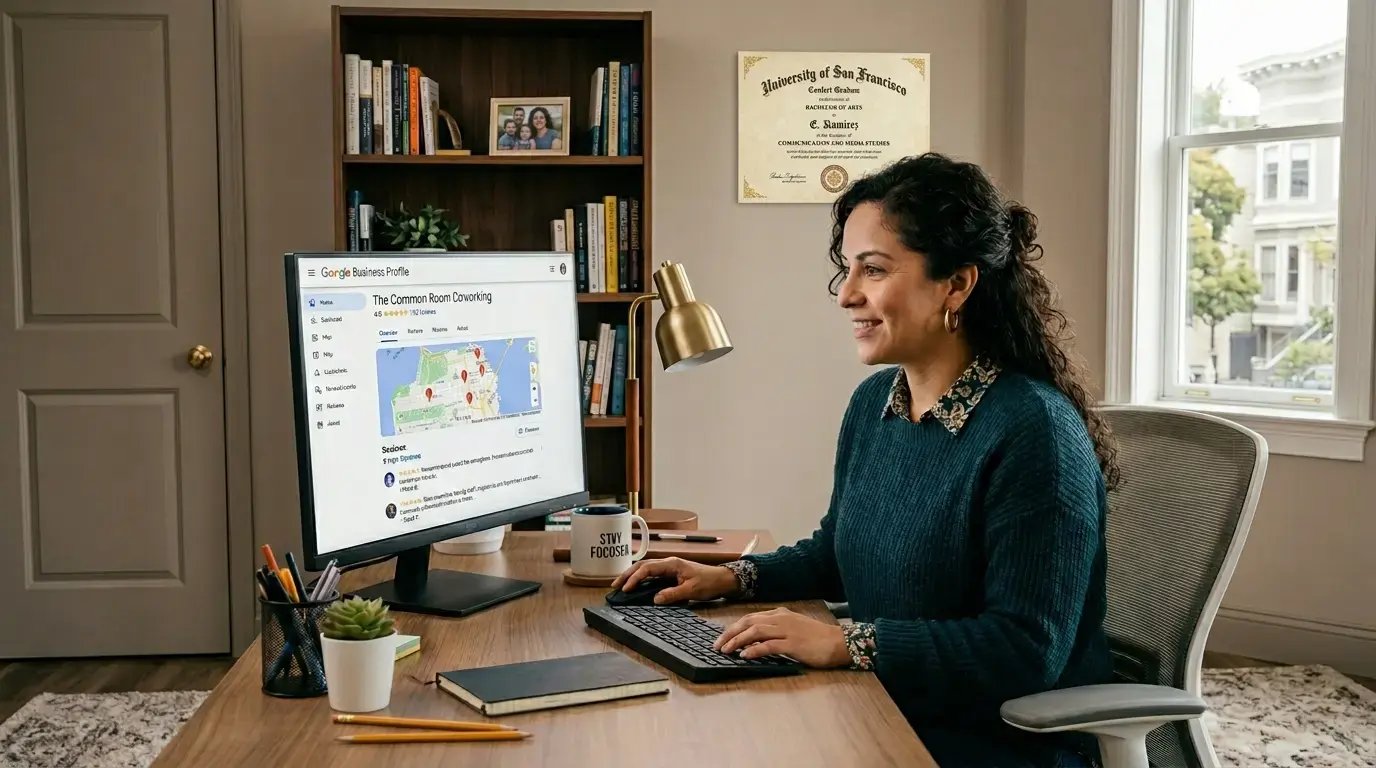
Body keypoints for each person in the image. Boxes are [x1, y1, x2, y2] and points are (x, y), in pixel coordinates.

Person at [612, 152, 1118, 768]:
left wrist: (843, 643)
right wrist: (727, 578)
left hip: (988, 743)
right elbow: (838, 552)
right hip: (878, 705)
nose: (847, 295)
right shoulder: (877, 402)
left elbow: (1025, 649)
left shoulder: (1034, 431)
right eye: (847, 271)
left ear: (956, 284)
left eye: (873, 271)